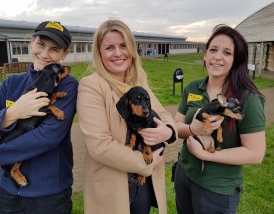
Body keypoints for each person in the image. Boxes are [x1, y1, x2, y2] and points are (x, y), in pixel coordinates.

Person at [0, 21, 78, 214]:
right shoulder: (11, 83)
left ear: (64, 54)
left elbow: (47, 137)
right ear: (32, 42)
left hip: (49, 194)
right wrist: (13, 113)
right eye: (40, 45)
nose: (45, 54)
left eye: (54, 49)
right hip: (7, 190)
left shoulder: (67, 85)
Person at [77, 19, 177, 214]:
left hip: (143, 183)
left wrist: (168, 132)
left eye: (123, 46)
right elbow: (99, 146)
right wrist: (145, 164)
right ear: (99, 52)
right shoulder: (91, 86)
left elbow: (163, 114)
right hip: (112, 183)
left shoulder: (138, 81)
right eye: (109, 48)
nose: (118, 53)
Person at [174, 24, 266, 214]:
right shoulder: (192, 88)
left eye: (227, 52)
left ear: (236, 60)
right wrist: (192, 129)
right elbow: (176, 127)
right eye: (213, 50)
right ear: (205, 54)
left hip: (217, 190)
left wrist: (204, 155)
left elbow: (255, 153)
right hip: (184, 176)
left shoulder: (248, 98)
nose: (217, 57)